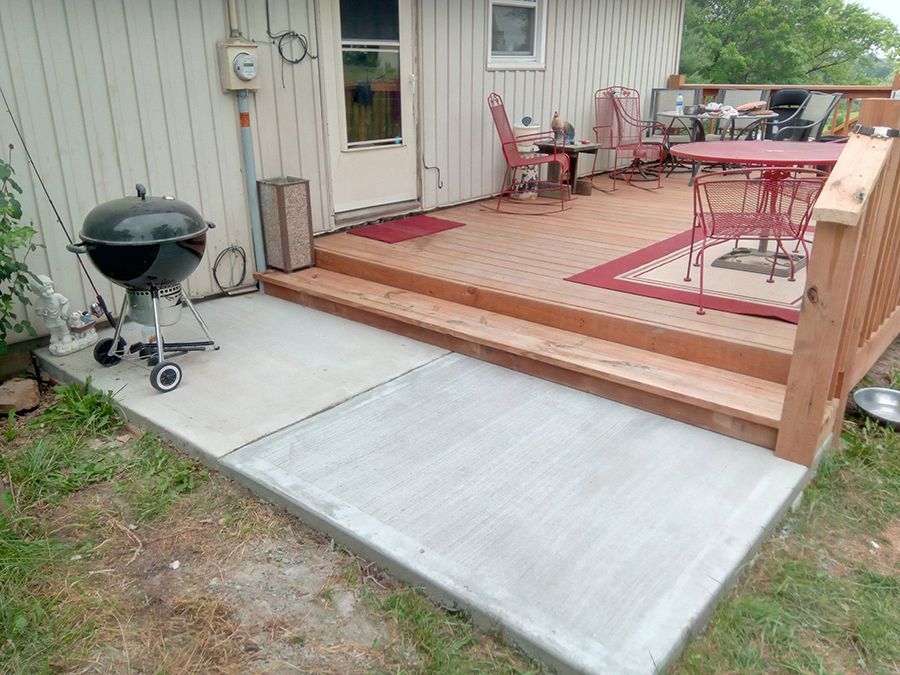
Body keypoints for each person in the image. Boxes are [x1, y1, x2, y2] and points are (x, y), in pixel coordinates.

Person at [30, 274, 73, 354]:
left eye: (49, 288)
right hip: (49, 319)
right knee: (52, 329)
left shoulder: (57, 296)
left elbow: (66, 303)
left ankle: (66, 335)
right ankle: (54, 336)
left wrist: (64, 311)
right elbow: (38, 312)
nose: (48, 292)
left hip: (59, 316)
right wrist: (42, 312)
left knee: (62, 325)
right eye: (44, 291)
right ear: (38, 293)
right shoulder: (40, 301)